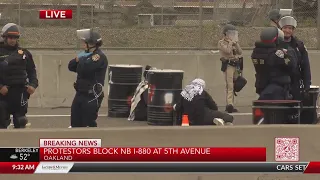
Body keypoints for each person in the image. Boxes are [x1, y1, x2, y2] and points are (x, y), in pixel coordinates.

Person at [0, 23, 38, 129]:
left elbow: (32, 71)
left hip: (20, 93)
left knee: (21, 121)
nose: (13, 40)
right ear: (5, 37)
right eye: (10, 37)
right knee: (1, 121)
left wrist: (33, 85)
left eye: (15, 38)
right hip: (3, 94)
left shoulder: (24, 53)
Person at [68, 29, 108, 128]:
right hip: (80, 93)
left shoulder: (98, 56)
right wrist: (80, 59)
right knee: (75, 122)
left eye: (85, 42)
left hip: (91, 95)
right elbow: (71, 66)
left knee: (88, 124)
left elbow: (85, 68)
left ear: (91, 43)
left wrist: (80, 60)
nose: (83, 44)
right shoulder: (85, 55)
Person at [278, 16, 312, 123]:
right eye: (285, 28)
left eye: (290, 28)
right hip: (280, 83)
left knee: (295, 112)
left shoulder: (299, 46)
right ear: (281, 29)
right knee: (281, 111)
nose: (288, 31)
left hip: (295, 83)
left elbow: (305, 67)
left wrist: (307, 86)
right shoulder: (276, 44)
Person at [251, 26, 296, 100]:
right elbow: (291, 65)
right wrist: (286, 54)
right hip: (277, 87)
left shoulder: (256, 52)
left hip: (261, 86)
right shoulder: (277, 53)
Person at [218, 24, 243, 113]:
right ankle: (229, 105)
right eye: (230, 33)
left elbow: (240, 52)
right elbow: (227, 51)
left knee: (235, 84)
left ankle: (231, 103)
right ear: (225, 34)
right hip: (228, 65)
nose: (232, 35)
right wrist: (230, 43)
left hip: (235, 65)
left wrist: (236, 44)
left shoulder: (233, 42)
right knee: (230, 85)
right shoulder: (221, 42)